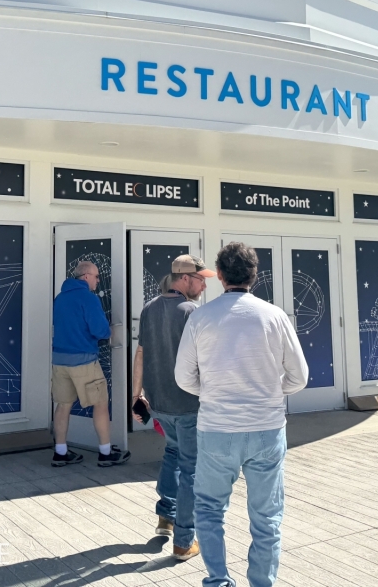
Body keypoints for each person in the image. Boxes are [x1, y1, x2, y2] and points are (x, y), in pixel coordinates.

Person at [174, 242, 308, 587]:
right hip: (266, 428)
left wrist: (214, 392)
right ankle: (262, 582)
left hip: (217, 429)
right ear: (255, 274)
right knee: (266, 517)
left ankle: (218, 579)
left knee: (209, 509)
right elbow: (300, 377)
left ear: (219, 276)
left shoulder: (201, 317)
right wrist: (271, 391)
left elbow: (183, 377)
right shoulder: (274, 316)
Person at [131, 255, 215, 562]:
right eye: (201, 278)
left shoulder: (149, 308)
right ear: (185, 279)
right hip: (188, 404)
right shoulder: (193, 312)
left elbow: (139, 354)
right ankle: (184, 540)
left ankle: (165, 517)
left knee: (172, 453)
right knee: (191, 468)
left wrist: (135, 396)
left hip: (159, 404)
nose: (205, 284)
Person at [51, 260, 131, 468]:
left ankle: (60, 452)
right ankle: (105, 453)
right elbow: (100, 331)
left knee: (63, 405)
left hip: (60, 361)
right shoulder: (89, 298)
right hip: (84, 361)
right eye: (96, 276)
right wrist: (110, 331)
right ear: (86, 276)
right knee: (100, 404)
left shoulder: (59, 298)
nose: (98, 280)